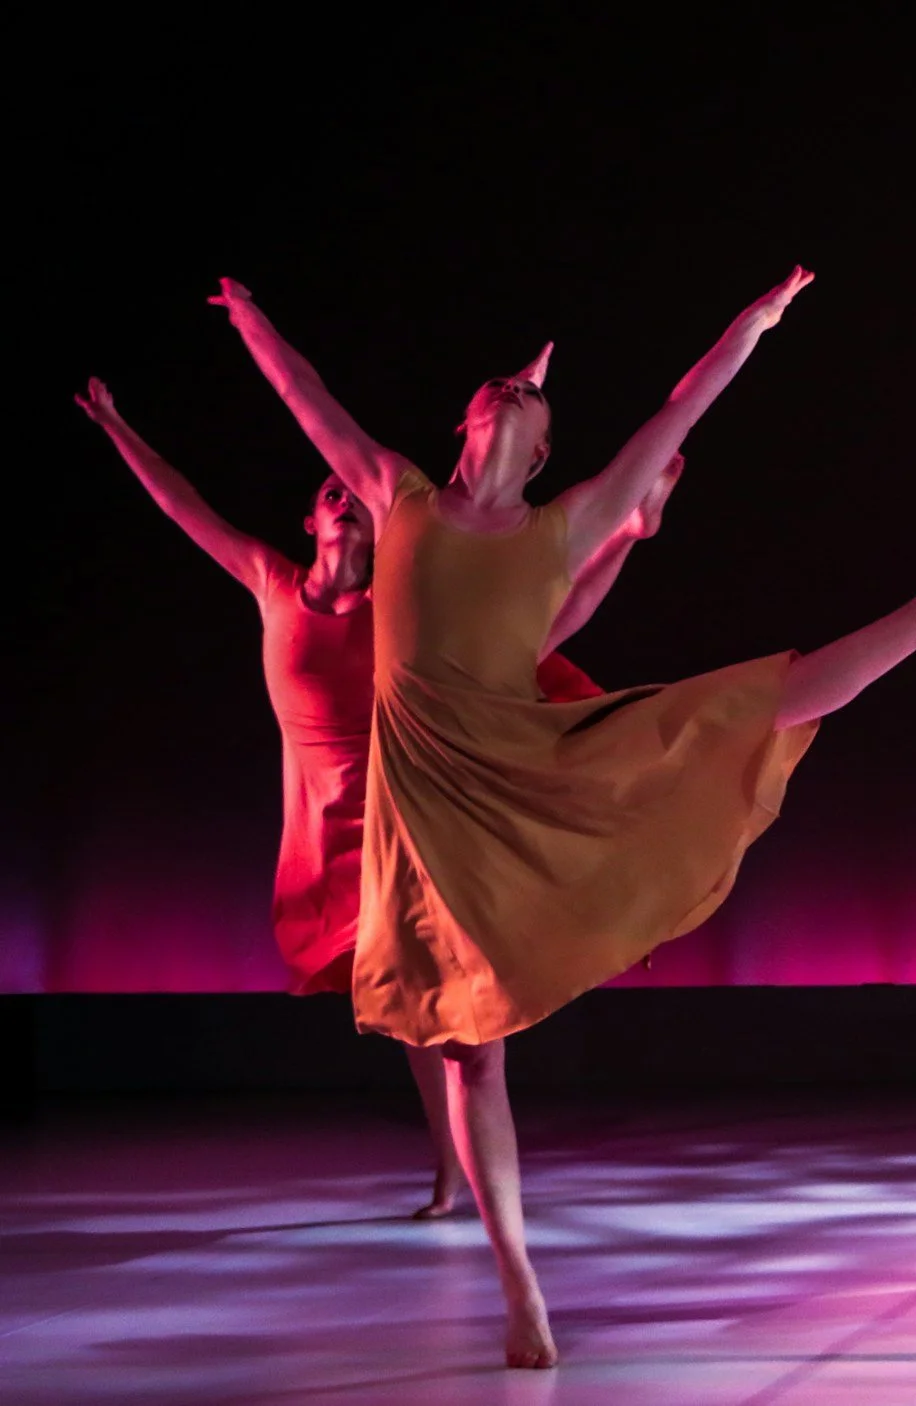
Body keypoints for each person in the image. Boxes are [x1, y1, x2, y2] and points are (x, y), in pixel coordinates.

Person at [216, 268, 916, 1367]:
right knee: (473, 1057)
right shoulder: (395, 495)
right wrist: (256, 318)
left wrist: (751, 321)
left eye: (528, 392)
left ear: (544, 445)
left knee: (738, 707)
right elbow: (304, 392)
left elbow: (679, 409)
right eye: (494, 384)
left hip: (529, 760)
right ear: (467, 418)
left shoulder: (568, 518)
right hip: (432, 807)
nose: (508, 390)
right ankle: (519, 1286)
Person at [77, 374, 668, 1220]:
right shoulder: (271, 584)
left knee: (442, 1010)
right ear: (310, 525)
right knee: (404, 1012)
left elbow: (542, 622)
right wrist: (115, 426)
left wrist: (593, 510)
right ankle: (450, 1166)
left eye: (349, 493)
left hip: (414, 814)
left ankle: (459, 1172)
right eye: (326, 497)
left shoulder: (400, 598)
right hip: (324, 830)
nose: (340, 499)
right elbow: (185, 508)